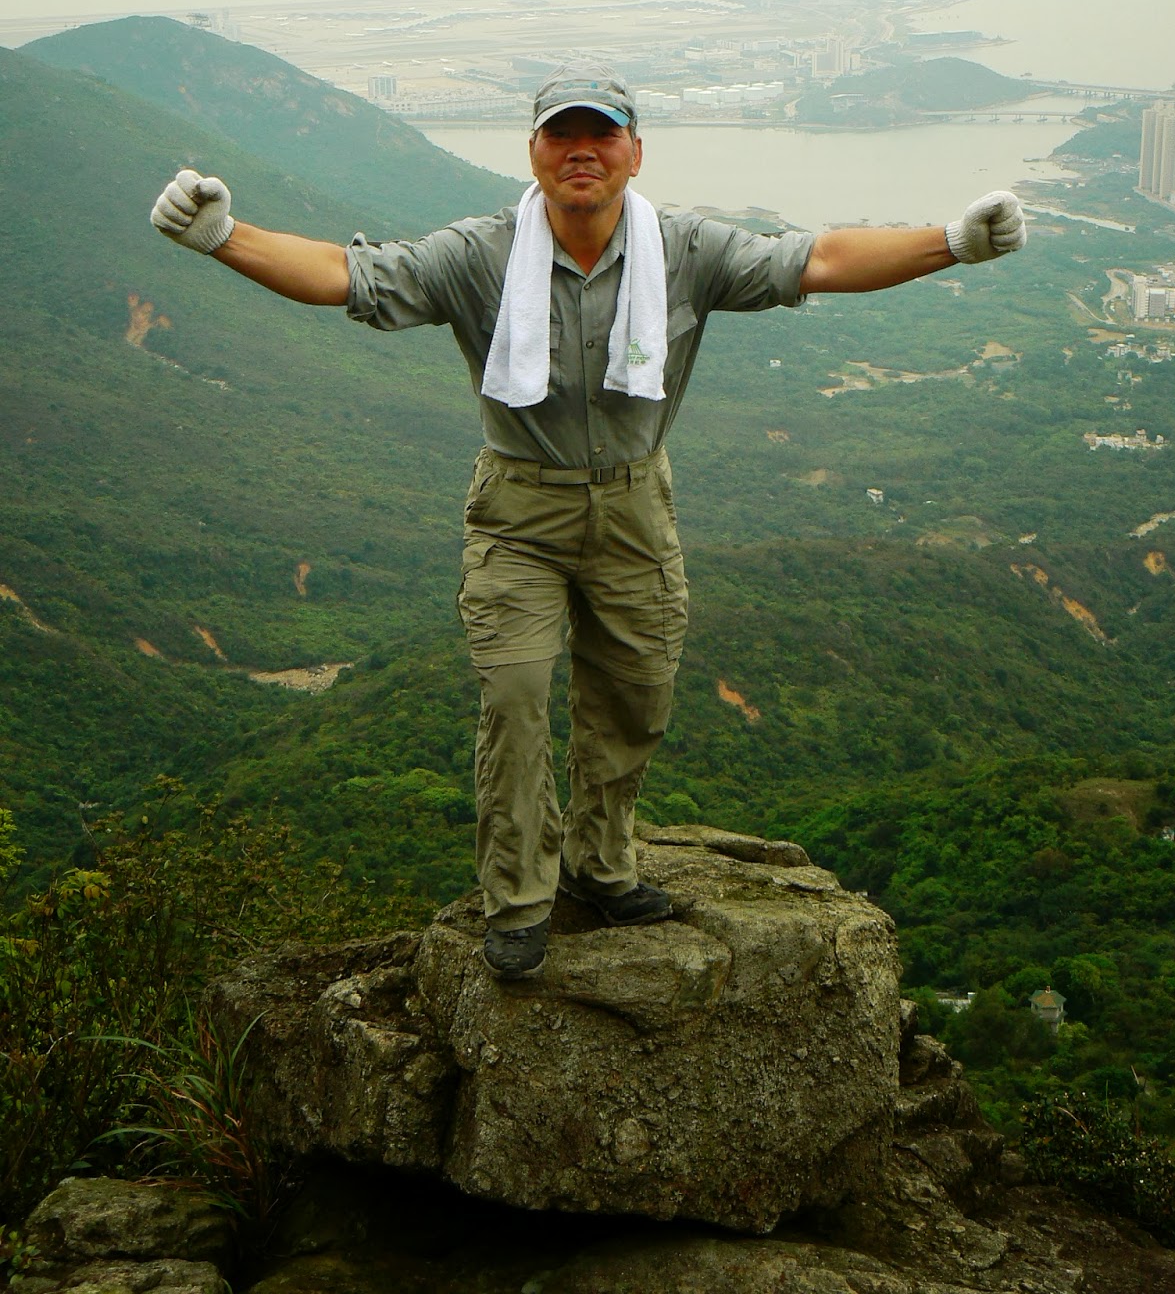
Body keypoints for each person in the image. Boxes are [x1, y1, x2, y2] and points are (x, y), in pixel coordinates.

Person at [151, 58, 1026, 981]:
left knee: (636, 694)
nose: (581, 151)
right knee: (515, 697)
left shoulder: (684, 250)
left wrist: (952, 243)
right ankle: (519, 900)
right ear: (533, 152)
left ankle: (601, 864)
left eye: (600, 134)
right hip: (518, 510)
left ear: (634, 152)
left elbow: (818, 261)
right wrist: (223, 236)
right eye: (560, 134)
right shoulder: (480, 254)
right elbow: (347, 276)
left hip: (635, 504)